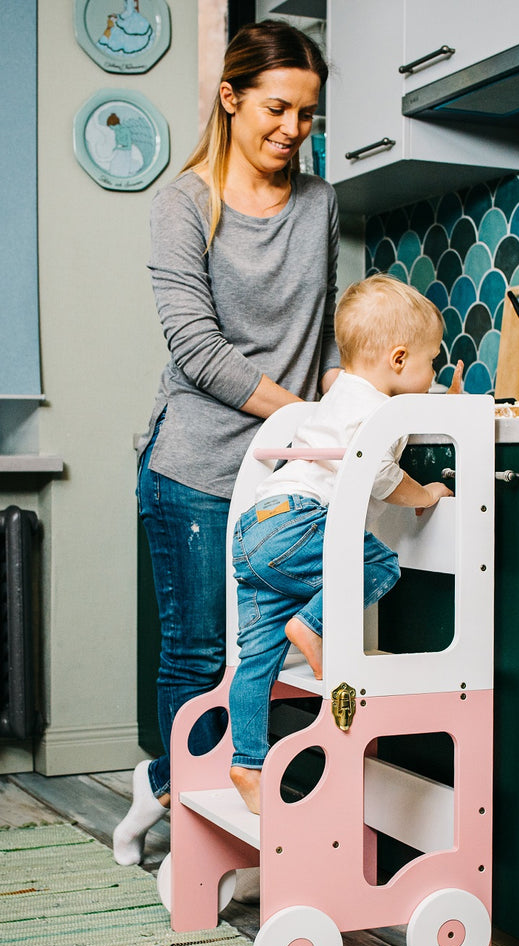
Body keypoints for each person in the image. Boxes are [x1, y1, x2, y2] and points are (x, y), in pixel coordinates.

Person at [113, 20, 340, 866]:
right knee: (201, 651)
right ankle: (184, 816)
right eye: (278, 108)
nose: (293, 129)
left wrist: (347, 406)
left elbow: (319, 334)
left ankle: (188, 793)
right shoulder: (183, 203)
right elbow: (198, 350)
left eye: (309, 115)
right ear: (231, 96)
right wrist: (305, 422)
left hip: (288, 471)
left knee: (271, 648)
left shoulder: (319, 202)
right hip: (197, 467)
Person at [228, 274, 461, 814]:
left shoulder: (336, 397)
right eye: (432, 363)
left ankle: (248, 763)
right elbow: (378, 473)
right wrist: (422, 491)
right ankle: (311, 625)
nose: (433, 374)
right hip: (299, 523)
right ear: (398, 360)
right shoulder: (380, 410)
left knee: (256, 659)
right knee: (380, 566)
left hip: (256, 526)